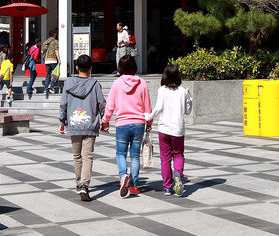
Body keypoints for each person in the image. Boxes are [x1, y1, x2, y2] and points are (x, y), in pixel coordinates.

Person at [102, 54, 151, 197]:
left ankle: (123, 176)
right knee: (135, 155)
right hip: (139, 123)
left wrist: (105, 121)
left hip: (122, 123)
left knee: (120, 154)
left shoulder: (117, 83)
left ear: (120, 68)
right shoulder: (142, 83)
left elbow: (110, 105)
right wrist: (149, 122)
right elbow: (147, 106)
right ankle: (134, 186)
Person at [59, 54, 105, 202]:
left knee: (77, 156)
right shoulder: (95, 84)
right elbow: (101, 104)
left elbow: (63, 104)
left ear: (77, 67)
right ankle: (85, 184)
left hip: (74, 124)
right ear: (91, 68)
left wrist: (62, 120)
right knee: (88, 156)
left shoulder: (68, 83)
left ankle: (79, 183)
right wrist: (104, 120)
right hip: (90, 125)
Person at [147, 63, 194, 196]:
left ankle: (167, 187)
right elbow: (187, 111)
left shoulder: (162, 90)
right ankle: (178, 174)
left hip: (164, 129)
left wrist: (148, 117)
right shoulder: (183, 91)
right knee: (178, 154)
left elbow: (157, 108)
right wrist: (190, 99)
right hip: (178, 130)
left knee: (165, 159)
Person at [41, 31, 60, 98]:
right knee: (56, 73)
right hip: (53, 60)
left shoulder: (45, 42)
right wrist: (59, 60)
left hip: (46, 60)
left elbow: (42, 52)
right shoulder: (55, 41)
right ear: (54, 35)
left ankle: (46, 89)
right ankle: (52, 86)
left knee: (48, 75)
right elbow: (56, 51)